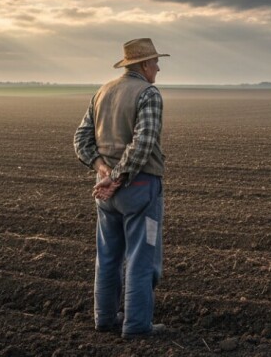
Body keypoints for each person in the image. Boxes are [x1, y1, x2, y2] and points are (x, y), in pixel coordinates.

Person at [73, 38, 169, 338]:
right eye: (155, 62)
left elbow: (81, 139)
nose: (158, 67)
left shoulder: (103, 91)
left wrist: (102, 169)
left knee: (108, 256)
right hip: (139, 187)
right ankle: (137, 325)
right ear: (144, 64)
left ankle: (104, 319)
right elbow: (143, 142)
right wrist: (116, 176)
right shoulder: (148, 94)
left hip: (105, 194)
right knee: (142, 257)